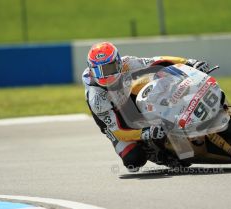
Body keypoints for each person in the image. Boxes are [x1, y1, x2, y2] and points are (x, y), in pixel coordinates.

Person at [82, 41, 210, 172]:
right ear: (91, 70)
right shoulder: (96, 99)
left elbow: (157, 61)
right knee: (134, 160)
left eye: (109, 68)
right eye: (99, 70)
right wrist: (145, 133)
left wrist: (189, 63)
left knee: (155, 84)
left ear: (118, 62)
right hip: (113, 121)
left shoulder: (127, 63)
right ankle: (157, 155)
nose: (105, 75)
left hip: (127, 98)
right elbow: (119, 130)